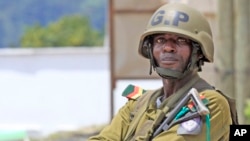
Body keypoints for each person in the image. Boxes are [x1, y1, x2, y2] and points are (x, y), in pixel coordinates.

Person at [88, 2, 238, 141]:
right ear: (150, 48)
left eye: (180, 40)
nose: (168, 48)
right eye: (160, 40)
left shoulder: (209, 105)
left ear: (198, 51)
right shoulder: (139, 104)